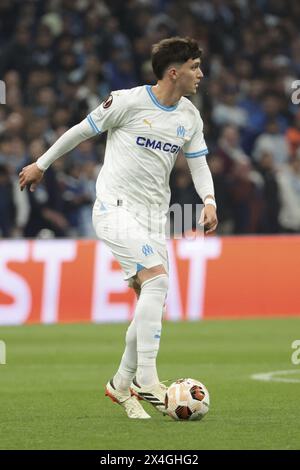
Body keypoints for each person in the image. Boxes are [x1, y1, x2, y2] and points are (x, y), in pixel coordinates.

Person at [19, 37, 218, 419]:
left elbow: (198, 163)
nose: (201, 74)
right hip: (114, 209)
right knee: (157, 281)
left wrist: (209, 201)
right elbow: (80, 131)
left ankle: (121, 383)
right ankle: (147, 378)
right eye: (194, 67)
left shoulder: (189, 116)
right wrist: (41, 164)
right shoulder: (127, 101)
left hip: (153, 219)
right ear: (174, 72)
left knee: (151, 298)